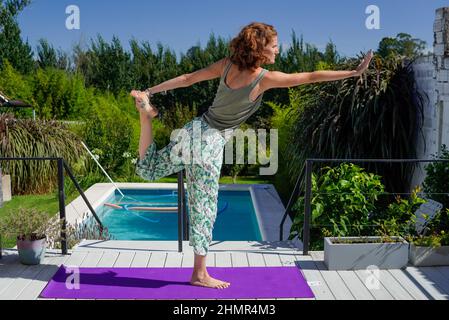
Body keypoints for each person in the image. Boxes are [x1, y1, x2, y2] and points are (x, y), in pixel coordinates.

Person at [130, 22, 373, 289]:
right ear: (260, 48)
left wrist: (150, 91)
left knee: (147, 169)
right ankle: (199, 274)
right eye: (274, 46)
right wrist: (352, 72)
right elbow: (310, 76)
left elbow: (188, 78)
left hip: (193, 130)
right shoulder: (264, 78)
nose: (278, 50)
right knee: (204, 208)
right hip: (209, 144)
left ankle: (147, 114)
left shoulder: (226, 64)